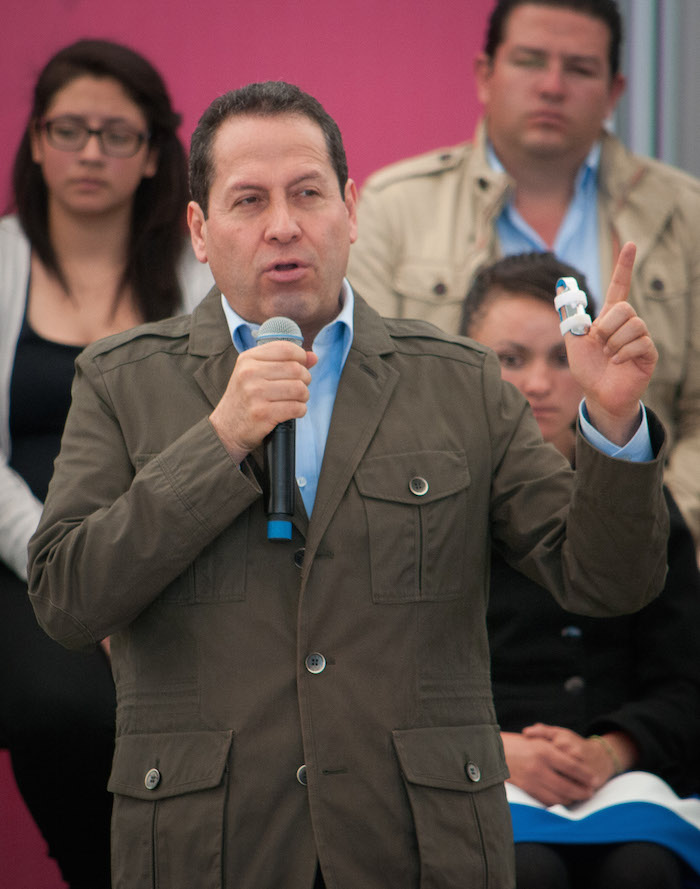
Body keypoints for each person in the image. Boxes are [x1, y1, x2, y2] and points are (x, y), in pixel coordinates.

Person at [27, 80, 667, 889]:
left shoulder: (461, 380)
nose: (283, 225)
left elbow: (607, 580)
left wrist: (612, 421)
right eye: (248, 200)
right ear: (199, 230)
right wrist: (220, 440)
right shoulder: (121, 381)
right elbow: (67, 600)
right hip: (210, 845)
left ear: (351, 210)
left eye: (307, 193)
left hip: (417, 844)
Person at [347, 0, 700, 547]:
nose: (552, 86)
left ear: (614, 92)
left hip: (644, 548)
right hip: (447, 548)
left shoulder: (684, 213)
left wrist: (652, 531)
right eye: (530, 61)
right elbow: (362, 401)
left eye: (579, 68)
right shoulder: (395, 208)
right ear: (484, 75)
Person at [0, 39, 212, 888]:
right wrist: (81, 574)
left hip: (172, 542)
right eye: (69, 129)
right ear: (36, 141)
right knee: (64, 710)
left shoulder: (202, 274)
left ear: (155, 152)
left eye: (117, 134)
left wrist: (131, 567)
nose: (91, 152)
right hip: (23, 554)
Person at [463, 252, 700, 889]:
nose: (538, 383)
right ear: (464, 365)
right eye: (510, 359)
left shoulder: (642, 501)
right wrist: (492, 751)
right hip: (475, 773)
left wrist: (610, 751)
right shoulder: (427, 500)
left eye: (561, 357)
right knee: (525, 871)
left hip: (625, 785)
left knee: (641, 871)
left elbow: (684, 681)